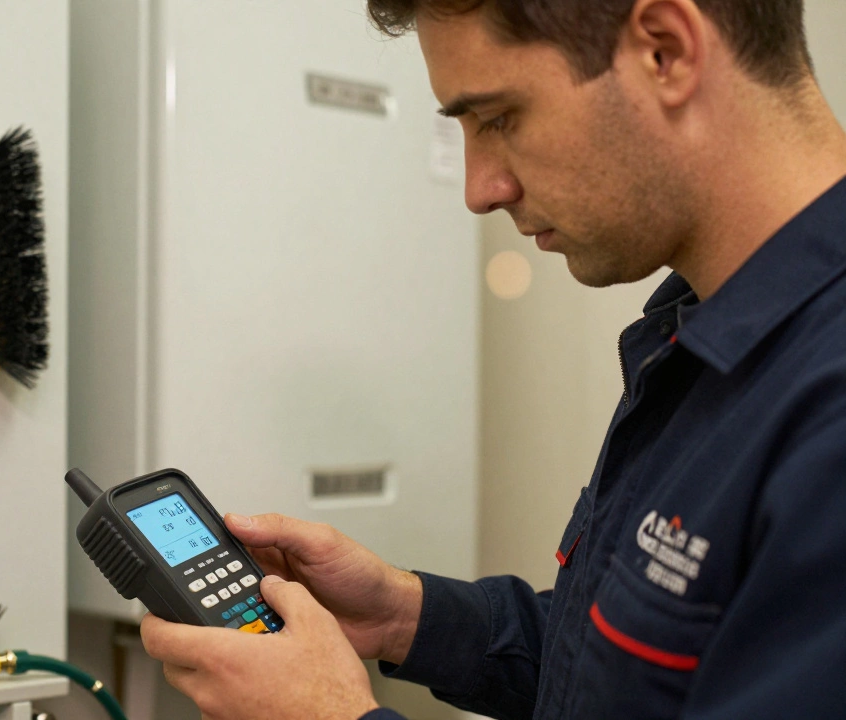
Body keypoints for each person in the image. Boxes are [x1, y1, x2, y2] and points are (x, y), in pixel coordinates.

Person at [139, 0, 846, 717]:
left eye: (500, 118)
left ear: (665, 51)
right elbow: (632, 675)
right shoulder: (697, 330)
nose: (480, 190)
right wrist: (404, 616)